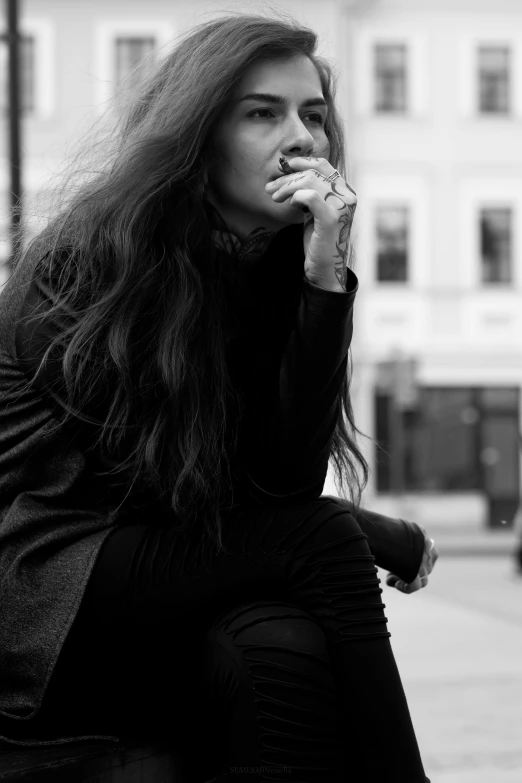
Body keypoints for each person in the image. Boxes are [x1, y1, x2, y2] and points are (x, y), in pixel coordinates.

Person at [0, 12, 438, 782]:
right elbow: (167, 488)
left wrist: (324, 280)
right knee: (320, 543)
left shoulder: (272, 270)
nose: (301, 138)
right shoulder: (94, 263)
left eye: (313, 115)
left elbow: (279, 486)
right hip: (48, 575)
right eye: (261, 113)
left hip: (155, 570)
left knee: (279, 640)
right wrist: (364, 529)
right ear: (198, 138)